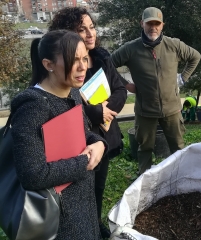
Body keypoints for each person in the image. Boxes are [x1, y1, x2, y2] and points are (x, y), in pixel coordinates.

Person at [10, 30, 107, 239]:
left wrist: (99, 143)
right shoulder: (33, 106)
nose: (83, 67)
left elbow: (83, 133)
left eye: (84, 58)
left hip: (85, 207)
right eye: (74, 60)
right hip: (59, 219)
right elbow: (32, 175)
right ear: (48, 64)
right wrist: (85, 163)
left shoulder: (72, 92)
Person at [48, 7, 128, 237]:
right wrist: (95, 112)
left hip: (105, 135)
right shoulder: (63, 63)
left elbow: (121, 90)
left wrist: (106, 111)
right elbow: (63, 101)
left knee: (99, 185)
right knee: (80, 188)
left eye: (92, 27)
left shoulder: (103, 58)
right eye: (81, 29)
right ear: (67, 34)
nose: (90, 33)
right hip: (78, 138)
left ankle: (95, 222)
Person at [111, 7, 201, 174]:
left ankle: (181, 176)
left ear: (162, 25)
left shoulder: (173, 45)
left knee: (178, 147)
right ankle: (143, 181)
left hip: (172, 109)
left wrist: (183, 78)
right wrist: (125, 84)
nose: (153, 27)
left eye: (157, 24)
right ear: (142, 24)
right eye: (149, 23)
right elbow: (109, 65)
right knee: (145, 148)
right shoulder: (130, 49)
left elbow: (195, 56)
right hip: (145, 111)